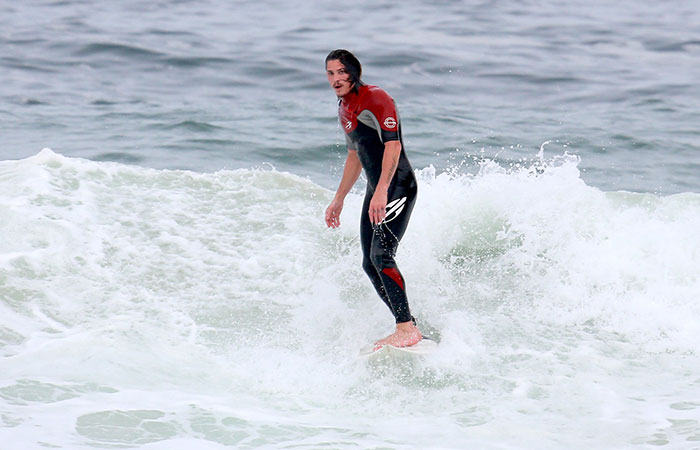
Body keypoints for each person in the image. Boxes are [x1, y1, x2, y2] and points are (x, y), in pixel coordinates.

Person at [323, 49, 422, 349]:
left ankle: (406, 329)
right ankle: (407, 324)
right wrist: (338, 199)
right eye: (330, 73)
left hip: (397, 186)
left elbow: (393, 146)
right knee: (369, 263)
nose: (336, 79)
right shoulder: (344, 106)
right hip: (376, 189)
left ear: (354, 71)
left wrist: (381, 191)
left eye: (341, 72)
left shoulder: (376, 98)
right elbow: (355, 155)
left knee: (382, 255)